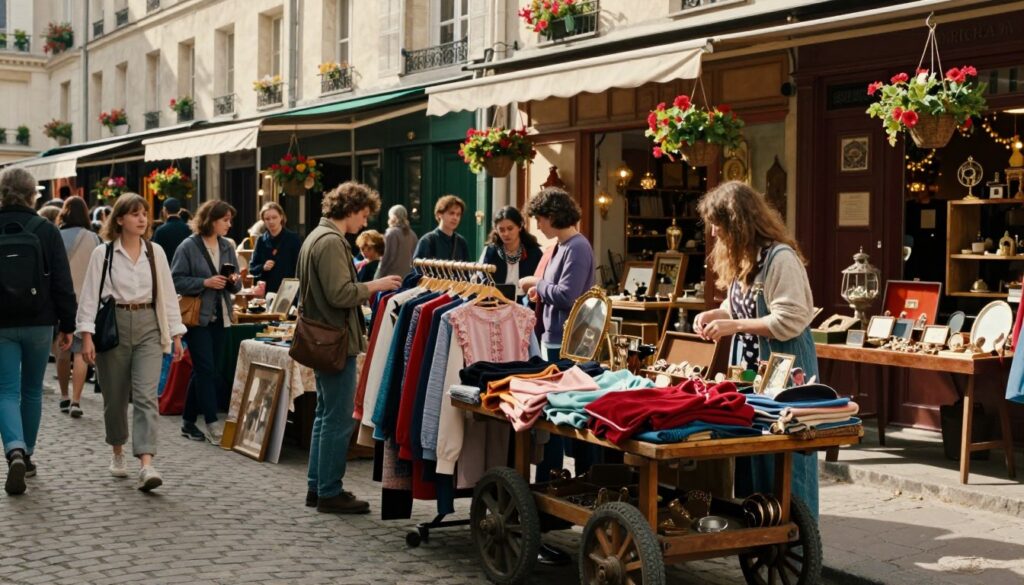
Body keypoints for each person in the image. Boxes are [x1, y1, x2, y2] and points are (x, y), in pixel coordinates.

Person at [692, 180, 821, 518]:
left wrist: (732, 326)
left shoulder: (780, 259)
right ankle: (758, 523)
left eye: (719, 225)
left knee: (784, 451)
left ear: (738, 223)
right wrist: (715, 314)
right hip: (751, 372)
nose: (715, 233)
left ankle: (794, 525)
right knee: (754, 448)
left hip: (785, 369)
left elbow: (790, 319)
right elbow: (742, 311)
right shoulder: (745, 259)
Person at [298, 182, 401, 514]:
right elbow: (339, 294)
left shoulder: (318, 236)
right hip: (334, 339)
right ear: (351, 210)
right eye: (364, 215)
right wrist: (376, 285)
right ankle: (329, 490)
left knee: (324, 415)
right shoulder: (329, 242)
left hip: (324, 337)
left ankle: (318, 487)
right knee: (338, 418)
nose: (365, 223)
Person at [77, 193, 185, 492]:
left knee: (146, 395)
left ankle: (146, 464)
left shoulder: (156, 252)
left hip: (150, 324)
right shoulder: (104, 254)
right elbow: (89, 296)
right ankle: (117, 450)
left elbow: (167, 293)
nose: (142, 219)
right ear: (120, 219)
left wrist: (176, 334)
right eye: (135, 214)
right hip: (115, 326)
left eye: (145, 213)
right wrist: (86, 336)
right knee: (115, 398)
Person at [518, 187, 598, 565]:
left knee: (569, 419)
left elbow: (567, 295)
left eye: (539, 218)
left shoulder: (577, 246)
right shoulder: (562, 247)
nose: (537, 225)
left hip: (570, 345)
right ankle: (562, 496)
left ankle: (581, 490)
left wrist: (535, 286)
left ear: (553, 215)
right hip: (555, 339)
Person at [0, 168, 76, 495]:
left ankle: (13, 449)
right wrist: (68, 324)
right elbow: (62, 281)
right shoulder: (46, 229)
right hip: (39, 321)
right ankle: (27, 455)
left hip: (0, 323)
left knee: (5, 390)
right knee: (32, 390)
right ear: (34, 194)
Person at [171, 200, 242, 444]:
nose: (229, 225)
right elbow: (176, 279)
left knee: (206, 370)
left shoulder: (227, 246)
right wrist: (205, 282)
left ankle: (188, 421)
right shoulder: (189, 246)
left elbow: (238, 284)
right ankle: (212, 423)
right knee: (206, 369)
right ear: (211, 220)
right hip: (197, 318)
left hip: (221, 315)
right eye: (225, 220)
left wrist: (232, 280)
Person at [56, 196, 101, 418]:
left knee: (62, 349)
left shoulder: (56, 236)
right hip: (87, 301)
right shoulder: (94, 238)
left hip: (61, 300)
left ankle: (64, 395)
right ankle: (76, 400)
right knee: (80, 351)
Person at [480, 206, 542, 300]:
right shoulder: (490, 251)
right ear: (496, 230)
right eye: (501, 230)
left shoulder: (534, 253)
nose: (506, 234)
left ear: (520, 226)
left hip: (526, 305)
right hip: (496, 303)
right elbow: (482, 280)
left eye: (510, 228)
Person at [248, 202, 301, 294]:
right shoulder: (261, 240)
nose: (271, 221)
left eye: (274, 217)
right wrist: (263, 267)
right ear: (263, 221)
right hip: (267, 291)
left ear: (281, 217)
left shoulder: (293, 239)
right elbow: (252, 268)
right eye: (267, 219)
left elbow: (300, 267)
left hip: (288, 291)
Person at [412, 195, 469, 263]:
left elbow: (467, 272)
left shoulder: (461, 243)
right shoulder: (428, 241)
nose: (455, 218)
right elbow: (417, 270)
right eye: (451, 213)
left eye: (458, 214)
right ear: (440, 214)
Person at [375, 204, 418, 278]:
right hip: (406, 278)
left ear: (393, 217)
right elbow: (415, 257)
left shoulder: (391, 233)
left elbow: (388, 257)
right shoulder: (412, 234)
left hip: (391, 278)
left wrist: (378, 276)